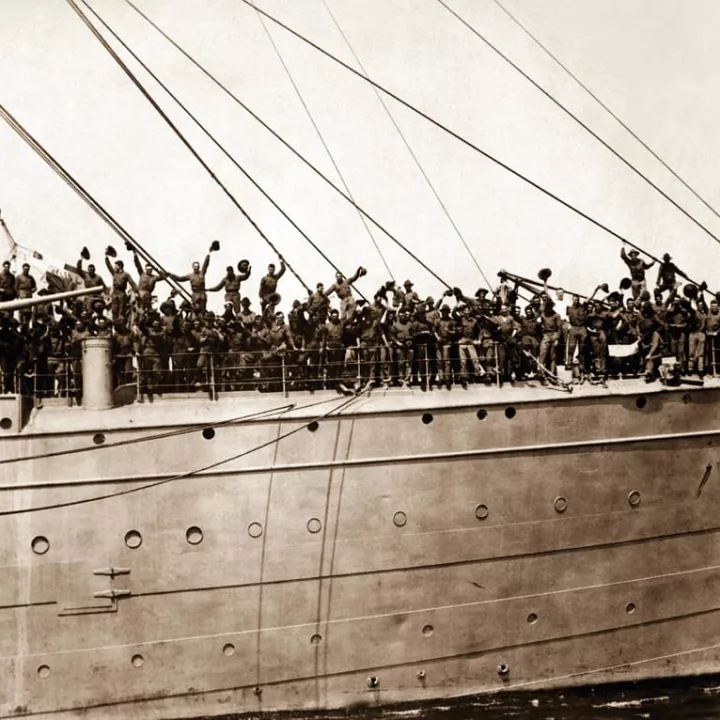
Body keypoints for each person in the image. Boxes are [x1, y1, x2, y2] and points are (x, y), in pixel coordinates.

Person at [170, 242, 217, 312]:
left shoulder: (202, 273)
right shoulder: (190, 276)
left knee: (203, 310)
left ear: (199, 267)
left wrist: (209, 253)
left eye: (197, 267)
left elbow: (206, 264)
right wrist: (171, 275)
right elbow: (180, 279)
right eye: (195, 267)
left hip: (202, 294)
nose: (196, 268)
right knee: (195, 310)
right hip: (195, 295)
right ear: (193, 267)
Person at [105, 252, 138, 320]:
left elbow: (132, 282)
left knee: (121, 310)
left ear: (120, 266)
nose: (114, 267)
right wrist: (106, 257)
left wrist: (136, 291)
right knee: (114, 310)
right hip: (114, 293)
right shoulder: (114, 273)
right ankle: (114, 321)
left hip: (121, 293)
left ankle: (121, 321)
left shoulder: (126, 274)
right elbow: (109, 266)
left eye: (116, 266)